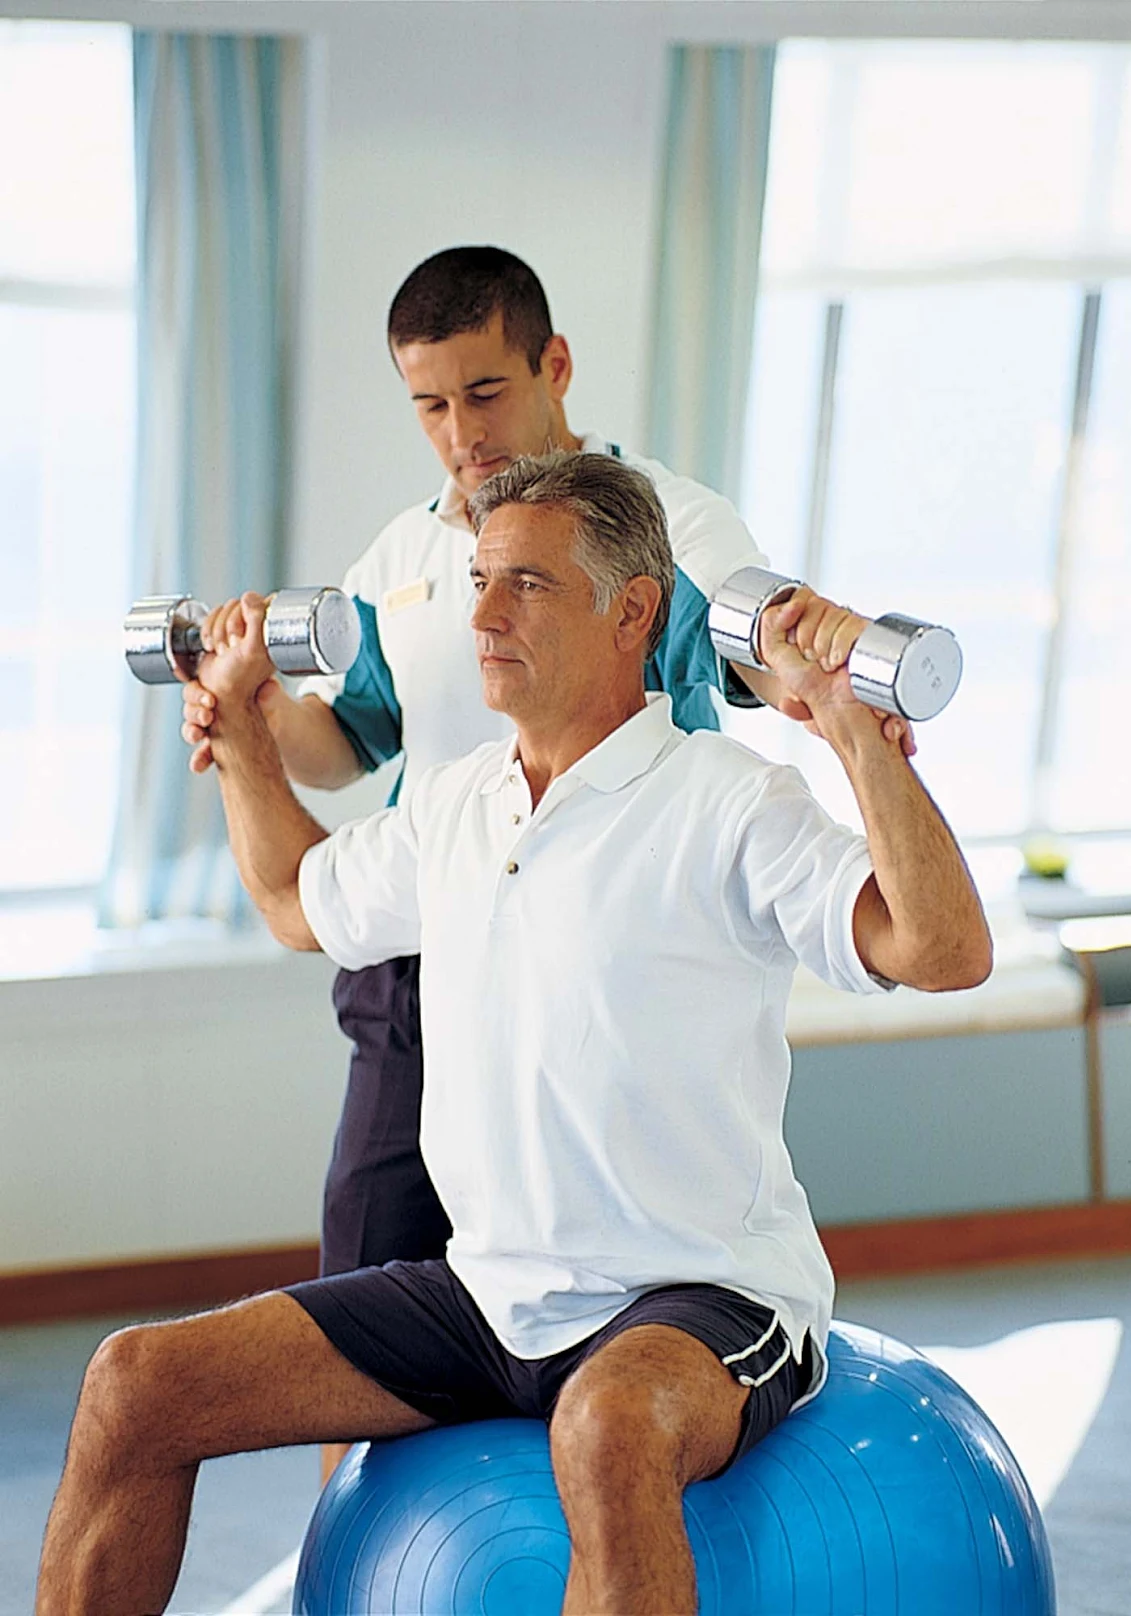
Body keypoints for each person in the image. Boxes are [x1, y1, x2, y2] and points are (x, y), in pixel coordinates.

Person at [40, 452, 989, 1616]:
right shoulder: (457, 800)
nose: (481, 613)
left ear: (631, 610)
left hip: (697, 1295)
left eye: (526, 584)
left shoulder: (727, 799)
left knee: (605, 1426)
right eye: (481, 577)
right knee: (134, 1382)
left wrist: (846, 721)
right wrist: (239, 730)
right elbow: (296, 899)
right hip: (486, 1290)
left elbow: (942, 950)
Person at [179, 247, 915, 1428]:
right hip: (428, 940)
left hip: (608, 934)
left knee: (610, 1306)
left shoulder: (666, 522)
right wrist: (260, 710)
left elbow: (751, 640)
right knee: (357, 1300)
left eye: (484, 392)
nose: (461, 432)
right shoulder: (402, 556)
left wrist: (818, 670)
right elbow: (353, 743)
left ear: (553, 365)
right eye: (430, 404)